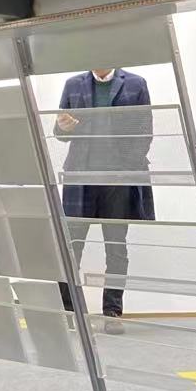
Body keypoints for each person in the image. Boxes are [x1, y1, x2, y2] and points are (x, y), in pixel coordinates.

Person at [53, 67, 153, 324]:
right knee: (70, 247)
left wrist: (124, 169)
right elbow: (60, 133)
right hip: (80, 177)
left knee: (116, 248)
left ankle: (112, 312)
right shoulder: (73, 84)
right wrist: (63, 127)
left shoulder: (136, 84)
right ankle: (70, 312)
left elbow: (145, 132)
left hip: (117, 180)